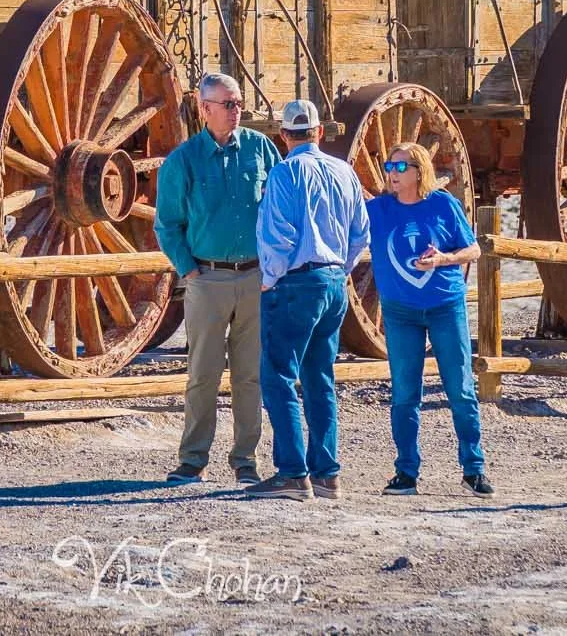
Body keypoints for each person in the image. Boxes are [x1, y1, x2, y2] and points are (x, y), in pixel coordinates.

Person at [153, 72, 280, 485]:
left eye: (239, 102)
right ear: (205, 110)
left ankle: (246, 460)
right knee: (202, 373)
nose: (236, 110)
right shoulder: (183, 160)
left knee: (250, 375)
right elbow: (167, 225)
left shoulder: (261, 150)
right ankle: (192, 459)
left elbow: (280, 211)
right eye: (227, 104)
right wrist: (189, 270)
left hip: (255, 278)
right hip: (207, 278)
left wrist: (274, 267)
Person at [247, 99, 369, 501]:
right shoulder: (345, 172)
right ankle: (326, 472)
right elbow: (360, 234)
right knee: (320, 376)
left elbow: (277, 234)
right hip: (333, 279)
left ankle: (292, 472)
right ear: (319, 132)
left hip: (295, 282)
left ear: (283, 135)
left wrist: (269, 278)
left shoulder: (285, 172)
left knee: (279, 374)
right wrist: (340, 270)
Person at [367, 141, 493, 498]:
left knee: (460, 389)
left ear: (419, 171)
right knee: (405, 393)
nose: (392, 173)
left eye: (401, 167)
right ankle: (406, 471)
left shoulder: (443, 205)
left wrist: (443, 259)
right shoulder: (377, 210)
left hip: (444, 305)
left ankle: (474, 468)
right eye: (390, 167)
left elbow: (474, 249)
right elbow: (339, 222)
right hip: (399, 311)